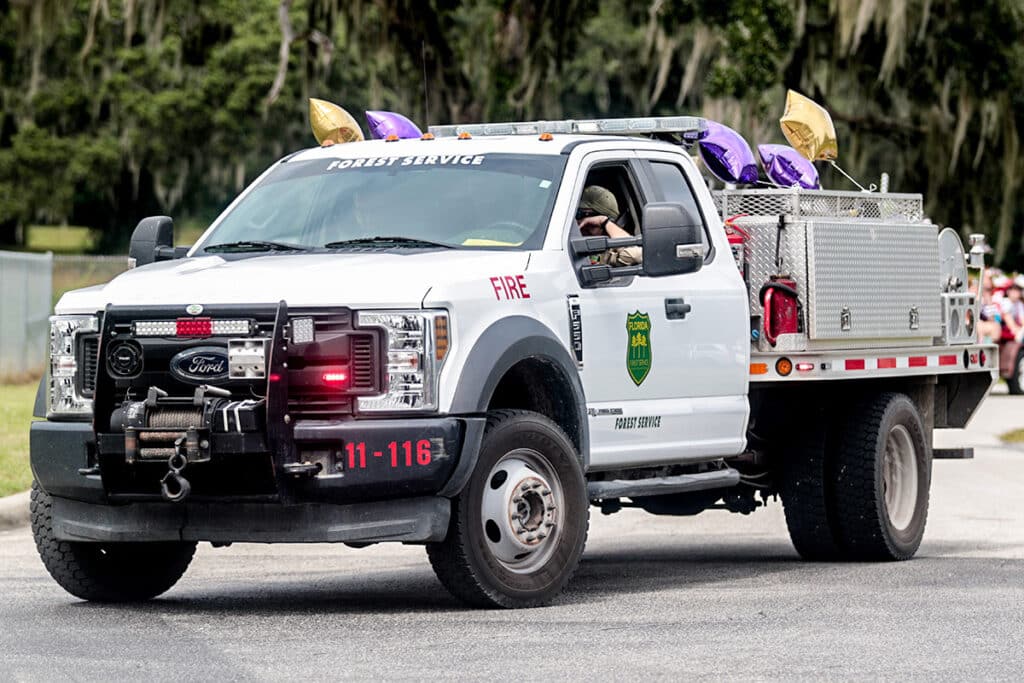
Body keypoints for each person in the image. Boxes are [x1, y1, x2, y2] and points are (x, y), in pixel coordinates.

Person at [576, 185, 642, 266]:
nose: (579, 221)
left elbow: (636, 255)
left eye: (583, 215)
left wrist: (604, 222)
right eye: (576, 215)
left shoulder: (607, 253)